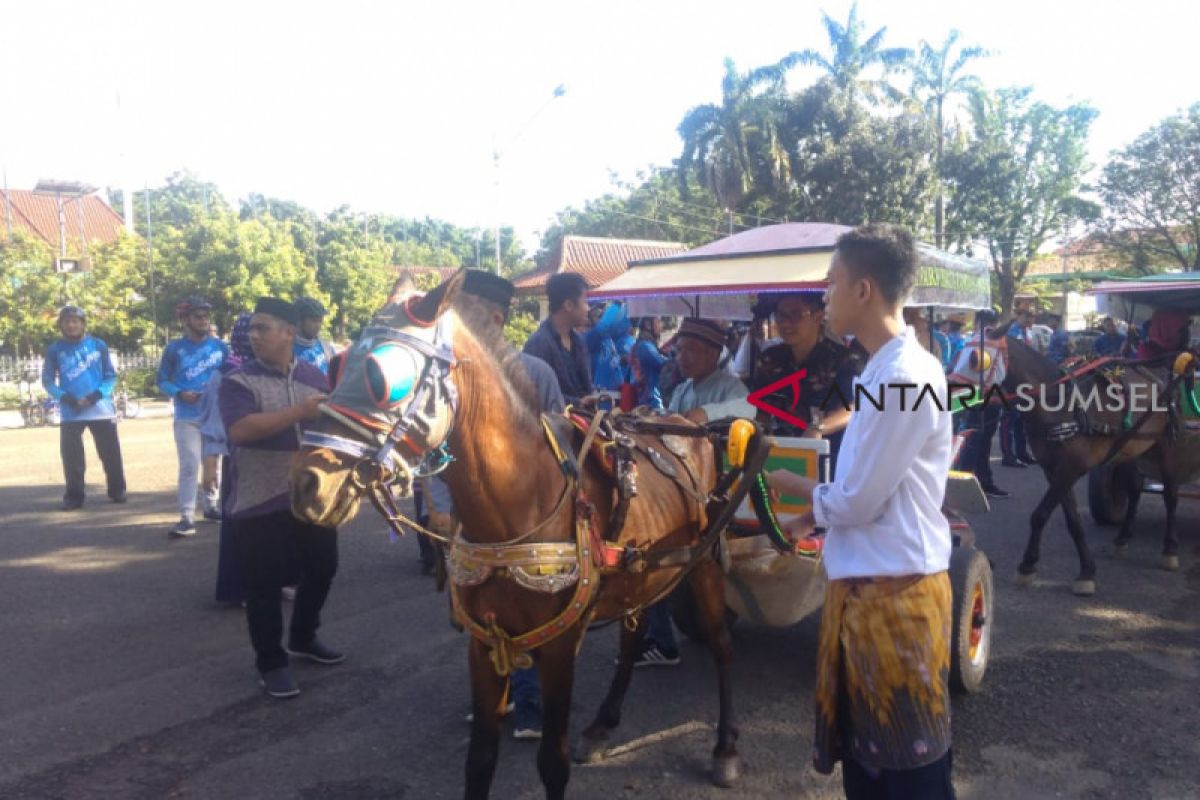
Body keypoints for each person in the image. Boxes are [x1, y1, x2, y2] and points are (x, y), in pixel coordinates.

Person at [766, 224, 957, 799]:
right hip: (872, 592)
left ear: (865, 290)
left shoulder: (902, 376)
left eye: (831, 284)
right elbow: (864, 480)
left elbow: (858, 498)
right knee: (873, 769)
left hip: (894, 603)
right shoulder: (880, 370)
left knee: (907, 775)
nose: (824, 296)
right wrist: (815, 510)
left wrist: (794, 492)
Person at [424, 269, 560, 740]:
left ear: (495, 319)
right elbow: (436, 447)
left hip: (527, 520)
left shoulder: (535, 372)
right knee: (479, 610)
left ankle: (527, 704)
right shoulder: (442, 375)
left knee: (524, 610)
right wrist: (440, 503)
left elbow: (558, 440)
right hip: (469, 518)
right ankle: (491, 699)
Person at [219, 297, 340, 699]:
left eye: (263, 328)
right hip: (259, 498)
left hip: (311, 497)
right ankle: (271, 662)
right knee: (264, 586)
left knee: (323, 567)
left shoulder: (315, 378)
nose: (253, 336)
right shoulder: (238, 380)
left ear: (289, 332)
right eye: (252, 329)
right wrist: (297, 414)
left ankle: (303, 636)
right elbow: (240, 430)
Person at [634, 318, 755, 668]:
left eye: (693, 350)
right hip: (682, 483)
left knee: (655, 548)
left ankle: (662, 639)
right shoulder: (685, 388)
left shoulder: (731, 387)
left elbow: (750, 410)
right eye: (681, 349)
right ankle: (657, 635)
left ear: (714, 353)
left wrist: (704, 415)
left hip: (715, 486)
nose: (683, 357)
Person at [751, 292, 859, 472]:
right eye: (780, 315)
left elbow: (855, 406)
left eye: (795, 315)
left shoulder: (844, 360)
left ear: (818, 317)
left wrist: (817, 428)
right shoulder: (770, 359)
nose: (785, 323)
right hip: (780, 455)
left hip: (832, 459)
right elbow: (762, 414)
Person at [41, 305, 127, 510]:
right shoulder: (55, 349)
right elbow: (48, 381)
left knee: (110, 453)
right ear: (61, 325)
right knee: (72, 459)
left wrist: (96, 395)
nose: (71, 325)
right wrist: (67, 398)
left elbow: (110, 376)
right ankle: (74, 496)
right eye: (67, 321)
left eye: (75, 321)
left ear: (83, 324)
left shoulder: (98, 345)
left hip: (100, 409)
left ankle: (117, 490)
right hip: (71, 412)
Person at [158, 297, 229, 537]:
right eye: (198, 316)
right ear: (186, 320)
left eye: (206, 316)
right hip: (186, 415)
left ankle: (211, 505)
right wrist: (179, 392)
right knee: (189, 463)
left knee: (214, 462)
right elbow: (162, 380)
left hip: (215, 415)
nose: (203, 320)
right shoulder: (174, 349)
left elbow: (232, 374)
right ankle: (187, 516)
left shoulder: (220, 347)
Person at [200, 313, 253, 606]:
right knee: (241, 523)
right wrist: (210, 463)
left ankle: (275, 578)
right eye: (253, 331)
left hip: (271, 462)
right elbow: (214, 422)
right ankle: (238, 587)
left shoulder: (272, 369)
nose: (257, 337)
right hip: (239, 460)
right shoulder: (227, 372)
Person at [950, 313, 1010, 499]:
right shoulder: (998, 341)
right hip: (985, 396)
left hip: (964, 393)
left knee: (973, 440)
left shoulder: (973, 339)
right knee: (976, 441)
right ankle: (965, 485)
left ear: (977, 322)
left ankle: (981, 481)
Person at [522, 272, 593, 404]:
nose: (588, 308)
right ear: (569, 305)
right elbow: (534, 395)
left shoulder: (578, 341)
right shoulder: (538, 344)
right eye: (585, 302)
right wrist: (578, 403)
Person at [999, 311, 1035, 469]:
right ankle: (1008, 455)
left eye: (1031, 317)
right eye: (1026, 316)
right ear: (1018, 317)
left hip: (1024, 382)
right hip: (1011, 381)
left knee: (1022, 419)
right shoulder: (1011, 332)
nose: (1029, 319)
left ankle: (1022, 453)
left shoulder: (1027, 332)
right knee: (1009, 420)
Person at [584, 301, 631, 392]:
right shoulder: (589, 338)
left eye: (603, 315)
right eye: (599, 316)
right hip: (600, 394)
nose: (603, 318)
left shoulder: (607, 338)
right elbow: (603, 326)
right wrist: (617, 303)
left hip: (616, 391)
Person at [630, 317, 670, 410]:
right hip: (651, 400)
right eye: (658, 321)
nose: (661, 326)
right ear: (648, 325)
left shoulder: (647, 344)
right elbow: (662, 364)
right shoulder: (645, 346)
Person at [294, 297, 336, 374]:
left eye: (320, 321)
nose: (318, 325)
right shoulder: (286, 350)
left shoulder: (327, 349)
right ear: (299, 321)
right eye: (314, 320)